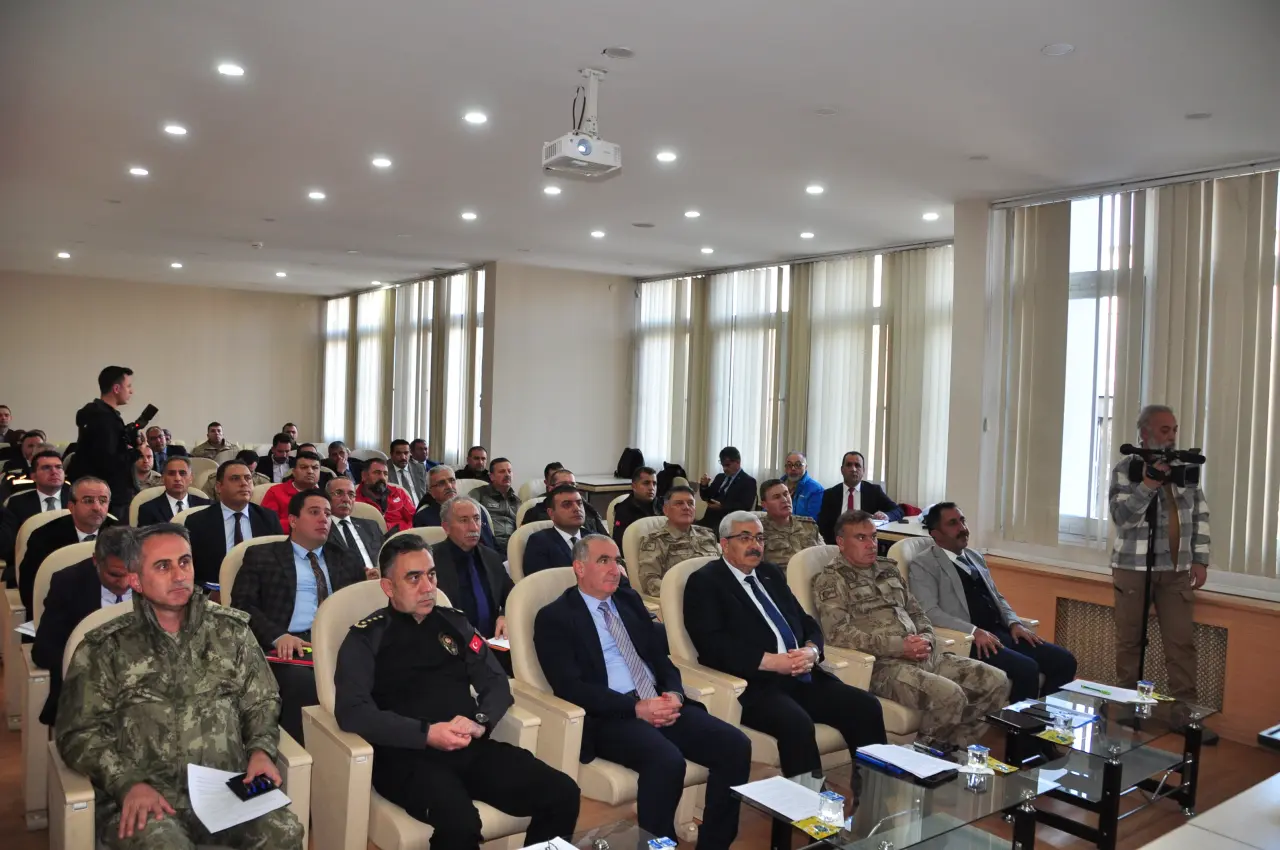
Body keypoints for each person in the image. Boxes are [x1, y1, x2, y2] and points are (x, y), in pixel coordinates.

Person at [55, 522, 304, 850]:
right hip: (145, 795)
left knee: (284, 833)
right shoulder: (105, 648)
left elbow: (262, 701)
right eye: (163, 566)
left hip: (228, 787)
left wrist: (261, 751)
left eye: (184, 562)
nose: (179, 575)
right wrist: (125, 783)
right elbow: (78, 732)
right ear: (135, 580)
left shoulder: (232, 632)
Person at [334, 535, 580, 850]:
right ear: (388, 587)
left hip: (469, 746)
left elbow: (495, 682)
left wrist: (480, 721)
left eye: (431, 574)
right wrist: (426, 733)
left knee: (562, 793)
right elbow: (352, 711)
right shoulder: (366, 637)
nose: (428, 587)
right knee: (461, 825)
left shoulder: (455, 624)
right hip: (406, 757)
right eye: (414, 578)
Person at [536, 534, 751, 850]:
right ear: (579, 568)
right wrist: (636, 709)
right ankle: (658, 846)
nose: (615, 569)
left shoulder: (629, 602)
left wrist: (675, 694)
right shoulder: (554, 617)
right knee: (667, 761)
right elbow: (571, 687)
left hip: (659, 700)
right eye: (604, 561)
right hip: (611, 716)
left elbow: (660, 659)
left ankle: (714, 845)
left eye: (617, 560)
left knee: (735, 745)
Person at [683, 511, 886, 776]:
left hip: (803, 675)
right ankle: (808, 801)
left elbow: (806, 621)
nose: (755, 545)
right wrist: (770, 662)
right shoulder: (705, 582)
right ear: (724, 544)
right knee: (797, 724)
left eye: (759, 538)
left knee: (866, 706)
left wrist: (812, 650)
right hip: (755, 684)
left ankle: (874, 790)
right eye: (745, 538)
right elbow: (712, 645)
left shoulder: (770, 573)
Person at [814, 510, 1009, 750]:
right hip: (883, 666)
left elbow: (918, 613)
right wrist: (900, 647)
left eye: (873, 536)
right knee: (949, 696)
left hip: (923, 655)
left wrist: (926, 639)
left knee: (996, 681)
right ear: (841, 542)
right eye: (861, 538)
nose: (871, 544)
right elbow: (838, 634)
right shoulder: (832, 580)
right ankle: (921, 759)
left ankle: (953, 749)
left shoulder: (888, 569)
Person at [231, 488, 371, 740]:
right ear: (293, 520)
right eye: (314, 512)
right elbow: (242, 605)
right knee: (304, 684)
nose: (324, 519)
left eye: (327, 514)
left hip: (339, 643)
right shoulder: (262, 555)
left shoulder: (346, 558)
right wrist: (278, 636)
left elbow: (361, 609)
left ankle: (366, 748)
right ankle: (306, 752)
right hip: (289, 645)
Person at [912, 502, 1078, 702]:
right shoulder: (924, 564)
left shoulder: (974, 557)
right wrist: (974, 631)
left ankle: (1042, 717)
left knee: (1064, 661)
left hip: (999, 632)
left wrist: (1014, 622)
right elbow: (929, 611)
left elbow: (997, 596)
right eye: (953, 523)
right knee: (1027, 669)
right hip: (969, 641)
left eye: (963, 521)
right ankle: (1018, 723)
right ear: (936, 534)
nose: (963, 528)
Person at [1109, 405, 1209, 704]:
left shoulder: (1184, 468)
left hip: (1176, 570)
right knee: (1130, 643)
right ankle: (1127, 709)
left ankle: (1185, 713)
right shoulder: (1126, 468)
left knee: (1181, 644)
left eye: (1174, 429)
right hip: (1133, 569)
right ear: (1145, 432)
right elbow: (1123, 518)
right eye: (1165, 429)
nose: (1172, 436)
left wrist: (1200, 559)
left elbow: (1200, 515)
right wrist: (1148, 484)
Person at [32, 526, 136, 726]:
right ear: (96, 561)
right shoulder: (68, 584)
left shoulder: (154, 581)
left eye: (131, 574)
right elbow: (44, 651)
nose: (124, 584)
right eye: (114, 575)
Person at [16, 476, 118, 614]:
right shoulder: (43, 537)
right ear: (71, 506)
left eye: (103, 501)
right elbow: (30, 589)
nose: (97, 507)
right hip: (58, 611)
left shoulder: (122, 536)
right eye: (88, 501)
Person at [185, 460, 284, 586]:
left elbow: (281, 563)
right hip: (215, 592)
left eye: (248, 478)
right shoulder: (197, 522)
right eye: (235, 479)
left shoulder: (268, 518)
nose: (244, 483)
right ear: (219, 487)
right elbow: (189, 568)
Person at [430, 496, 512, 646]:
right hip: (452, 645)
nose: (474, 527)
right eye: (464, 520)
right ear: (446, 527)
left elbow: (512, 594)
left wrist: (505, 615)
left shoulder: (491, 557)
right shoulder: (431, 562)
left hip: (494, 642)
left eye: (477, 519)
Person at [67, 366, 135, 518]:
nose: (131, 391)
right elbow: (109, 461)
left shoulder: (92, 413)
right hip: (107, 496)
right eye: (128, 386)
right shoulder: (106, 419)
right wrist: (136, 452)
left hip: (91, 490)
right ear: (116, 388)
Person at [635, 485, 721, 598]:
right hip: (685, 600)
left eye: (690, 503)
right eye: (679, 503)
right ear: (665, 510)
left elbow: (723, 569)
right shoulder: (656, 540)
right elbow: (649, 582)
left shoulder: (707, 535)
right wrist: (685, 591)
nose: (686, 507)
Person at [0, 448, 70, 566]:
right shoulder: (17, 503)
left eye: (58, 467)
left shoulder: (77, 499)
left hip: (70, 562)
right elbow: (7, 546)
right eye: (46, 468)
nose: (54, 472)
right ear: (33, 476)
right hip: (30, 563)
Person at [818, 451, 903, 542]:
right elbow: (823, 526)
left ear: (863, 470)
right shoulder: (830, 494)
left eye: (857, 465)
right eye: (849, 465)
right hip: (837, 543)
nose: (853, 469)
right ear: (842, 470)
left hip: (865, 543)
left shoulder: (874, 491)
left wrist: (886, 516)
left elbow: (898, 510)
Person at [413, 465, 499, 548]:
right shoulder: (423, 517)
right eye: (441, 483)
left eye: (452, 480)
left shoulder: (475, 509)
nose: (449, 486)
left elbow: (493, 543)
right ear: (430, 491)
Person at [521, 484, 590, 576]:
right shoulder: (539, 542)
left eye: (579, 503)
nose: (577, 509)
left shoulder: (594, 538)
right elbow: (538, 581)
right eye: (567, 505)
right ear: (551, 513)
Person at [520, 468, 610, 536]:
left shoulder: (587, 509)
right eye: (564, 484)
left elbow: (605, 538)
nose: (570, 488)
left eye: (573, 484)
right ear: (551, 488)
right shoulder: (534, 513)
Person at [760, 478, 823, 571]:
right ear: (764, 505)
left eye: (786, 494)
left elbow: (824, 555)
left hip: (815, 576)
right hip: (783, 578)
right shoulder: (758, 531)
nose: (784, 500)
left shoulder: (808, 525)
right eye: (777, 497)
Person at [326, 477, 384, 574]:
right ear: (326, 498)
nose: (346, 499)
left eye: (351, 494)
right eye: (338, 493)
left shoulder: (371, 526)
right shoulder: (322, 529)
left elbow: (386, 557)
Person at [697, 446, 757, 531]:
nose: (724, 469)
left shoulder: (748, 481)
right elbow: (706, 497)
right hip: (708, 520)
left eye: (728, 465)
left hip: (728, 524)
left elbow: (745, 506)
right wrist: (704, 486)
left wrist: (722, 507)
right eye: (723, 465)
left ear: (738, 462)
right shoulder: (720, 477)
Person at [137, 456, 210, 525]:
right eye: (171, 474)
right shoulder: (148, 510)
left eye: (182, 473)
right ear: (163, 478)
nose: (177, 478)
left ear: (191, 478)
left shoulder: (206, 506)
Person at [261, 450, 324, 527]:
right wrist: (302, 523)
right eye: (304, 467)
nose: (310, 471)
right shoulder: (275, 492)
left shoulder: (323, 496)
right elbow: (267, 523)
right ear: (294, 472)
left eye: (315, 468)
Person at [473, 457, 519, 556]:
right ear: (492, 477)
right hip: (487, 545)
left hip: (513, 546)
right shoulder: (479, 494)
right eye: (502, 471)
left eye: (509, 471)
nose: (507, 474)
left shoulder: (517, 501)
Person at [356, 457, 415, 533]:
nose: (382, 477)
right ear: (364, 476)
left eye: (385, 474)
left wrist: (406, 532)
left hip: (403, 535)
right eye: (377, 473)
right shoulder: (354, 499)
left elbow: (414, 519)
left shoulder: (399, 493)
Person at [612, 465, 659, 545]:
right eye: (646, 483)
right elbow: (620, 543)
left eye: (654, 483)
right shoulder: (624, 510)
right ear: (634, 486)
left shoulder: (663, 505)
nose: (652, 488)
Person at [199, 449, 271, 500]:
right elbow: (204, 503)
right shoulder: (216, 479)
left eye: (251, 471)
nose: (244, 482)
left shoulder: (263, 481)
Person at [782, 452, 824, 521]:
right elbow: (767, 511)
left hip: (802, 527)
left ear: (806, 467)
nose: (793, 468)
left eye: (798, 465)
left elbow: (811, 520)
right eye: (789, 465)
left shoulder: (816, 489)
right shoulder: (777, 486)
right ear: (785, 467)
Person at [388, 439, 427, 506]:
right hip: (398, 509)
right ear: (391, 454)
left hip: (420, 509)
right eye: (398, 453)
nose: (403, 457)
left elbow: (426, 492)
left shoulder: (419, 468)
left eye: (406, 453)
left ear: (410, 453)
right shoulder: (385, 470)